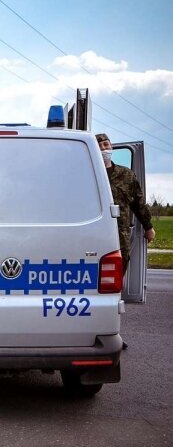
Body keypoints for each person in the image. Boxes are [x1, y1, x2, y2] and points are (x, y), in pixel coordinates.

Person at [96, 133, 155, 351]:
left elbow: (139, 203)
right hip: (92, 239)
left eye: (106, 143)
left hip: (119, 239)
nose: (104, 147)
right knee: (94, 290)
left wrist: (148, 226)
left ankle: (112, 333)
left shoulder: (126, 175)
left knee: (114, 290)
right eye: (100, 144)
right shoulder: (89, 172)